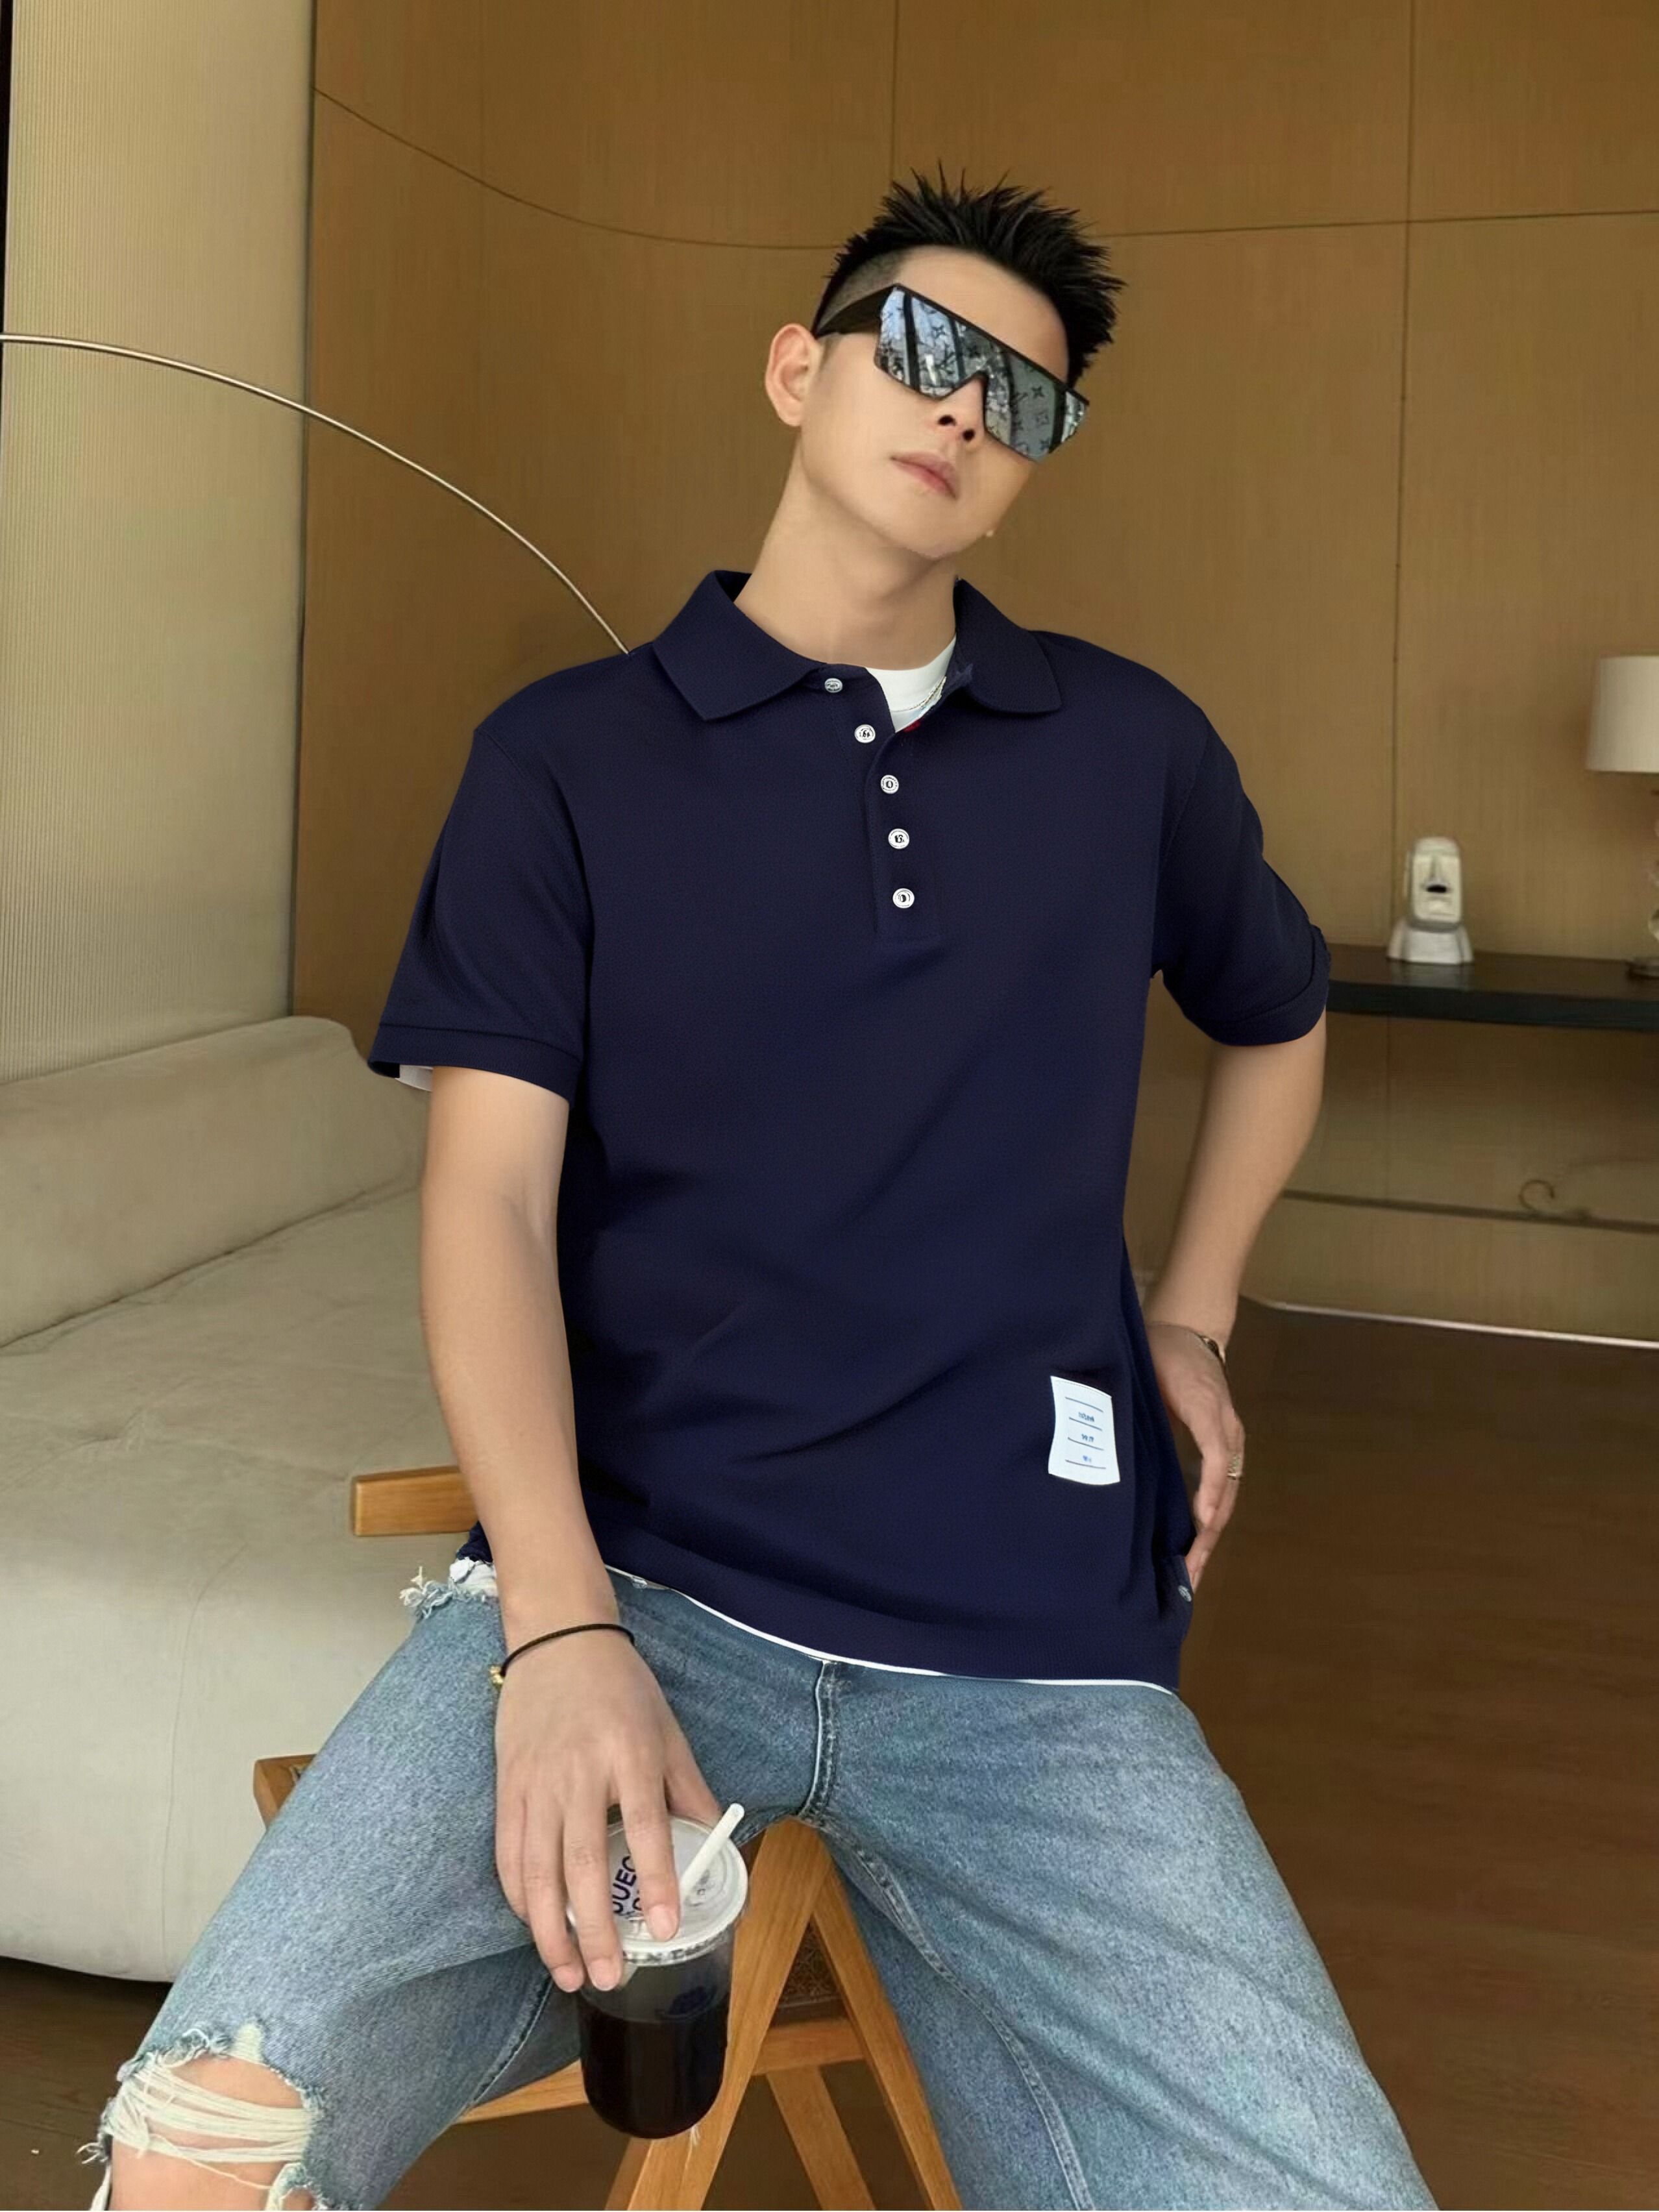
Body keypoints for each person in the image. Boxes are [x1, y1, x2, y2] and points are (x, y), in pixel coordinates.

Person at [84, 164, 1435, 2211]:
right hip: (634, 1584)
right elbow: (486, 1207)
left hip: (1032, 1655)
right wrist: (556, 1632)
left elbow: (1279, 1014)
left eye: (1024, 396)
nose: (965, 405)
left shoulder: (1127, 750)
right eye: (925, 347)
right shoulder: (563, 761)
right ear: (799, 368)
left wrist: (1189, 1316)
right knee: (204, 2148)